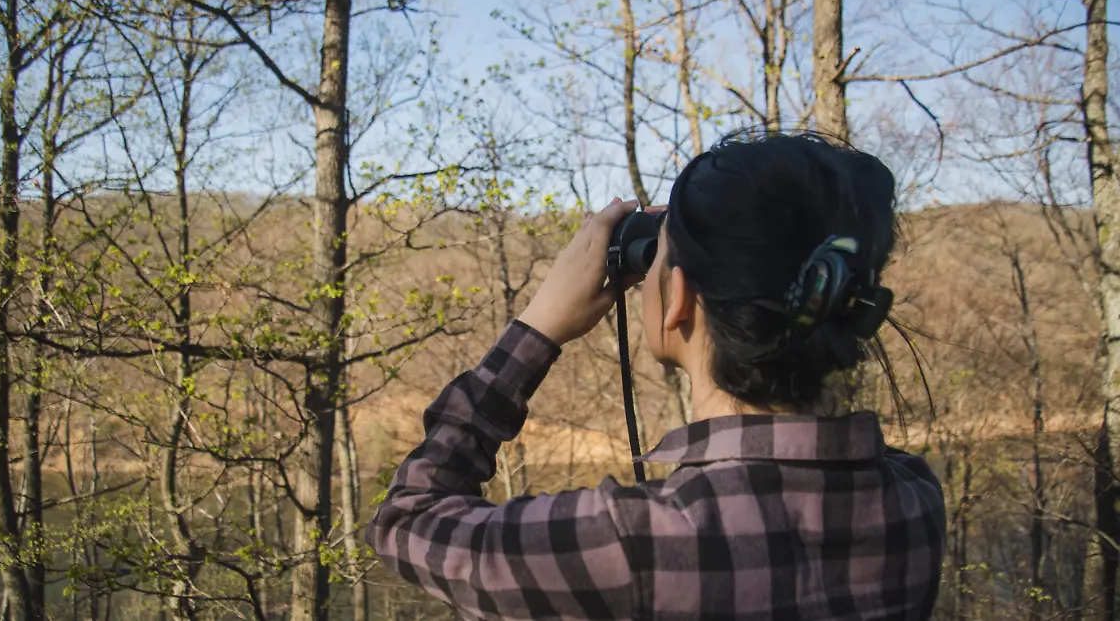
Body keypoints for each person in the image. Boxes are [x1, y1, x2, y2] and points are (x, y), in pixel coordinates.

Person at [365, 132, 947, 620]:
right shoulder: (913, 500)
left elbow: (408, 516)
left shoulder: (630, 544)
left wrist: (537, 327)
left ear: (678, 298)